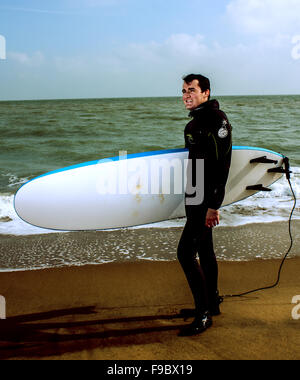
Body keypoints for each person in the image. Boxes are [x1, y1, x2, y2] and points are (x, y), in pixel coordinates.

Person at [177, 74, 232, 337]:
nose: (186, 95)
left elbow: (223, 165)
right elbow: (197, 164)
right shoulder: (195, 123)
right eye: (184, 90)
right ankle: (212, 303)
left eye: (192, 90)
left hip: (205, 199)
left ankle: (203, 315)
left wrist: (214, 205)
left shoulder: (216, 120)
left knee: (186, 253)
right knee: (206, 249)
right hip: (194, 196)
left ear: (206, 93)